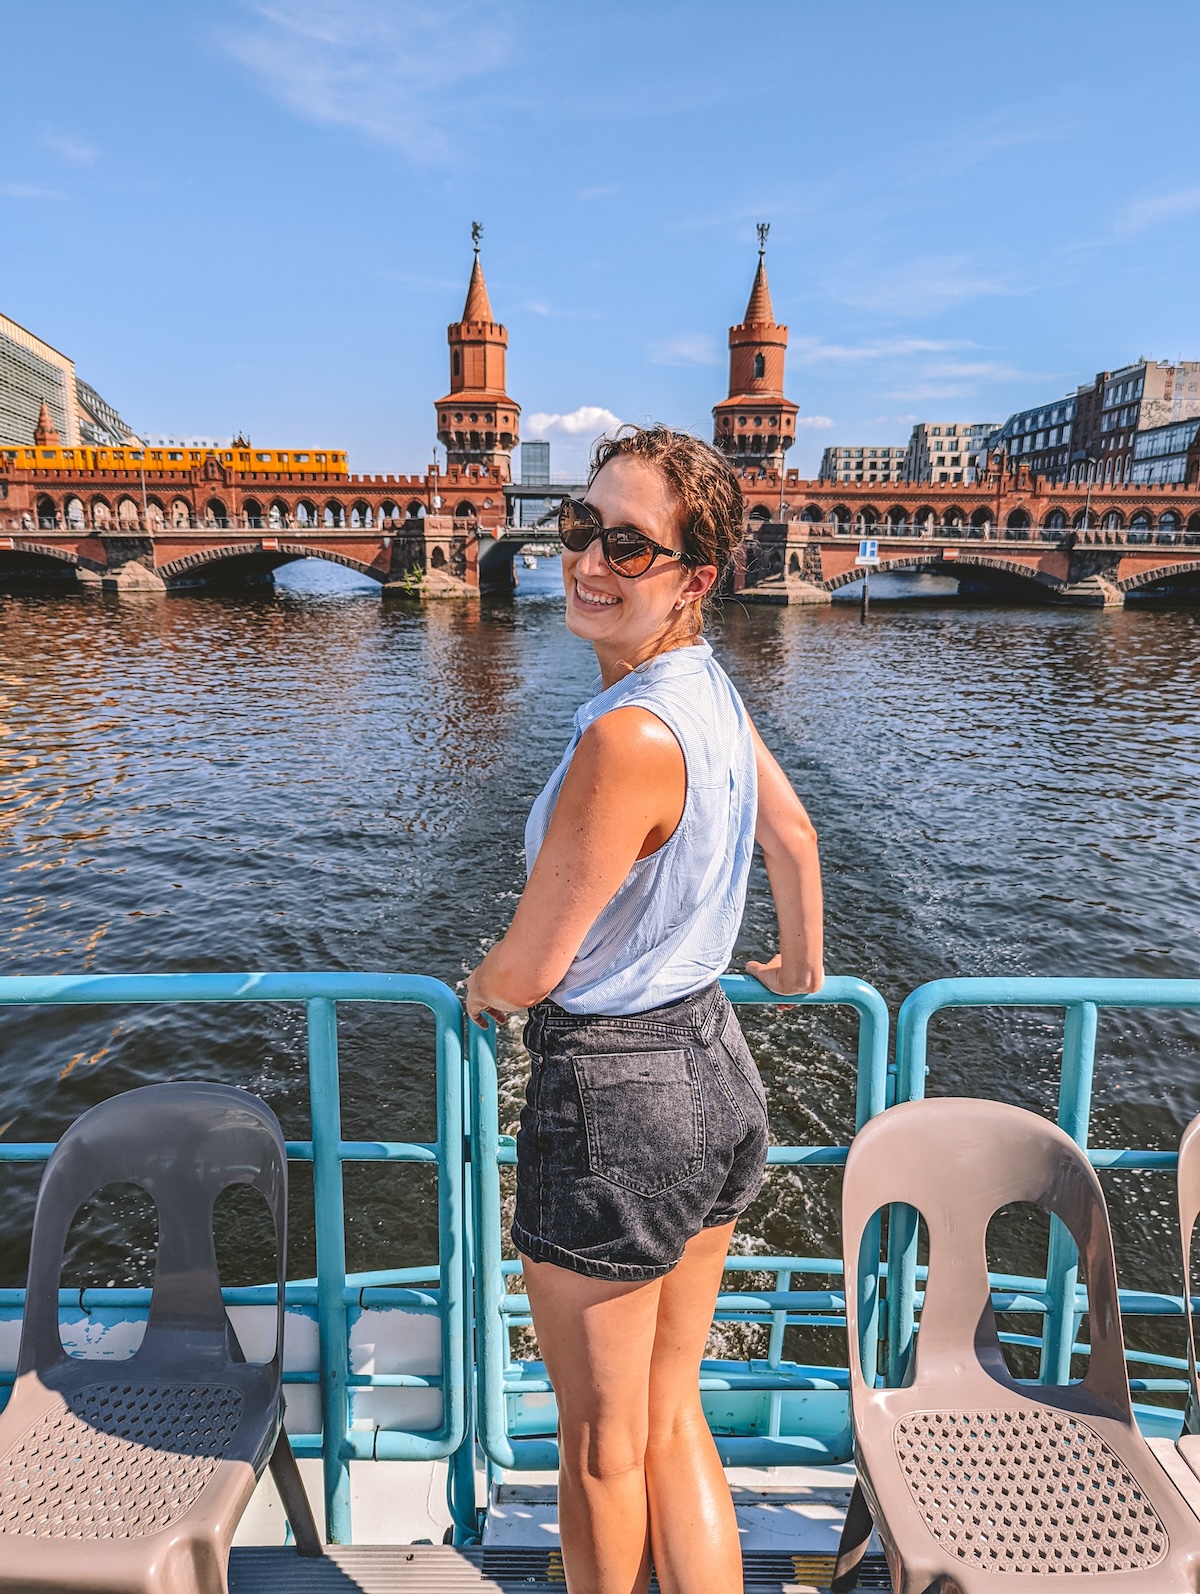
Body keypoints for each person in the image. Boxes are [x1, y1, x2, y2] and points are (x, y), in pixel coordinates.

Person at [465, 425, 823, 1594]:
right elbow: (794, 835)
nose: (589, 560)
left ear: (695, 577)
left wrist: (482, 985)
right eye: (581, 527)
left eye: (630, 544)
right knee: (673, 1417)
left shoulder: (626, 736)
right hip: (715, 1066)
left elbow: (531, 963)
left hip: (618, 1094)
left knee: (600, 1448)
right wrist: (803, 967)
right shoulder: (708, 691)